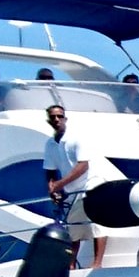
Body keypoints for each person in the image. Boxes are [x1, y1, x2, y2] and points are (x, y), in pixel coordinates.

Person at [41, 105, 108, 268]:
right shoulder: (50, 144)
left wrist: (59, 184)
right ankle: (70, 265)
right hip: (72, 191)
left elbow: (83, 165)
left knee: (97, 225)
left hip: (90, 185)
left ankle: (97, 263)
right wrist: (52, 189)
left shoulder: (75, 138)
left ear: (65, 119)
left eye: (59, 116)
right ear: (48, 120)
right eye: (53, 117)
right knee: (73, 230)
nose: (56, 119)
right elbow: (49, 170)